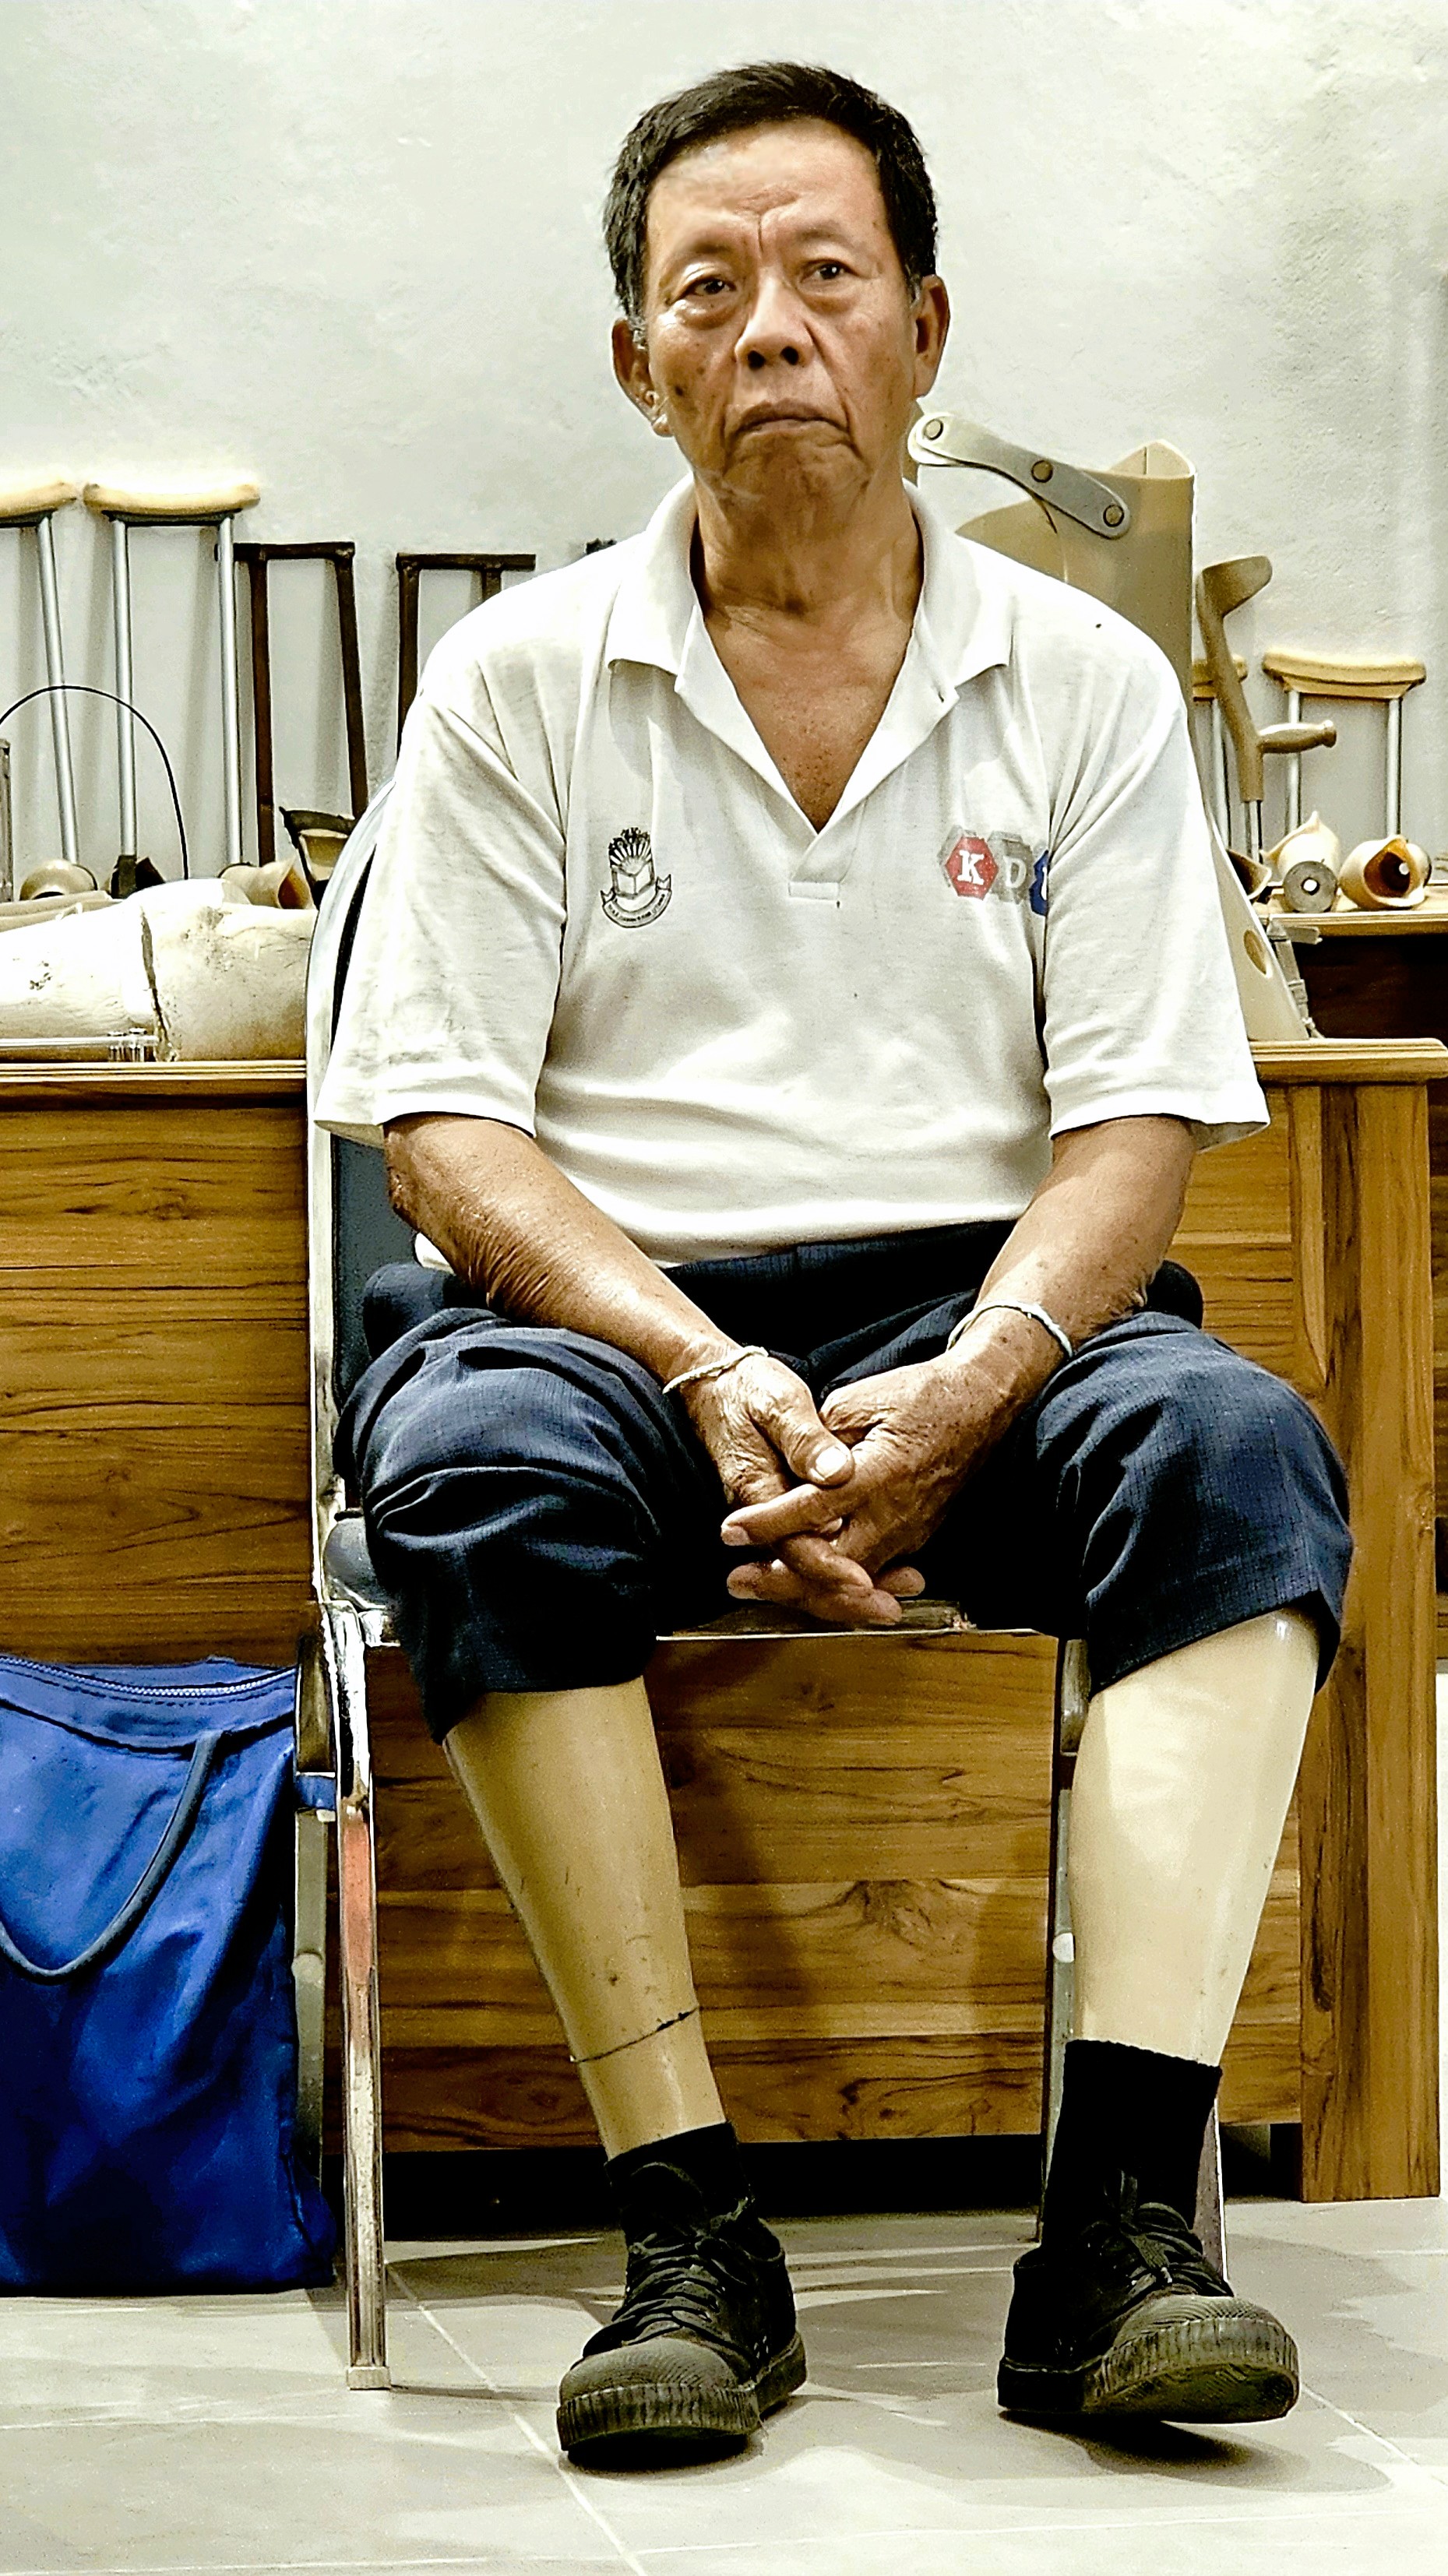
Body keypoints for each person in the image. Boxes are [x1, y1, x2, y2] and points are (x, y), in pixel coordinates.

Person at [317, 60, 1351, 2465]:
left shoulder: (1083, 683)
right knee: (470, 1475)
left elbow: (1128, 1133)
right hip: (606, 1309)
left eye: (822, 279)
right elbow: (448, 1133)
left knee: (1230, 1449)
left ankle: (1113, 2236)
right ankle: (690, 2234)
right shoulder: (513, 684)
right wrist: (693, 1359)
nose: (768, 328)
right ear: (634, 362)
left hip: (979, 1303)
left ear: (919, 331)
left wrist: (979, 1379)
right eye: (709, 290)